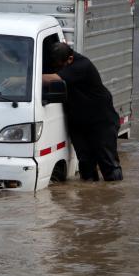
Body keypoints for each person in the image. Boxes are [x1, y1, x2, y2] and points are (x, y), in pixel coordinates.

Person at [42, 42, 123, 182]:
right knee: (85, 164)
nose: (58, 69)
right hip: (79, 121)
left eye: (61, 66)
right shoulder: (60, 61)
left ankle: (113, 197)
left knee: (108, 164)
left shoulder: (82, 65)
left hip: (101, 121)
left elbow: (55, 79)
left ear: (70, 59)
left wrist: (26, 79)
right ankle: (88, 199)